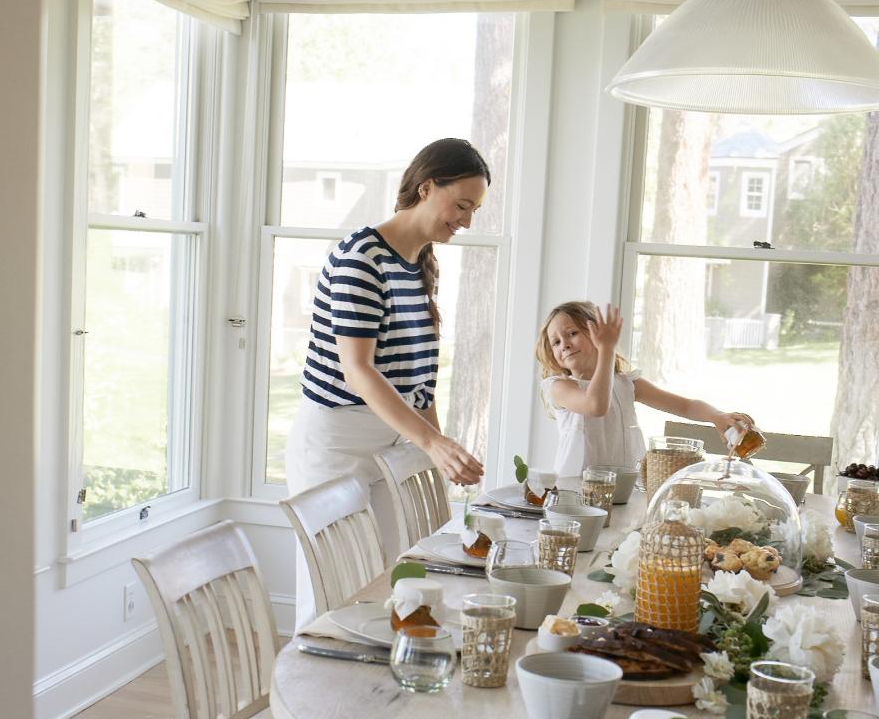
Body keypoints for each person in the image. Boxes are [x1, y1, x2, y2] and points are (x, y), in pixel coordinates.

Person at [286, 137, 488, 624]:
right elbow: (359, 371)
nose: (466, 221)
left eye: (474, 209)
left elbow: (418, 376)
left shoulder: (418, 262)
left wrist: (438, 449)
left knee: (404, 585)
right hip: (339, 441)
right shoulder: (362, 257)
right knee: (334, 596)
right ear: (426, 188)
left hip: (396, 437)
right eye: (461, 205)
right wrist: (432, 442)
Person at [535, 301, 755, 479]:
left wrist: (716, 415)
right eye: (555, 342)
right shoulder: (559, 387)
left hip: (624, 488)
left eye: (571, 333)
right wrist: (607, 350)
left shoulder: (626, 384)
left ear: (597, 332)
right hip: (574, 492)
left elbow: (685, 406)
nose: (563, 344)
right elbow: (595, 405)